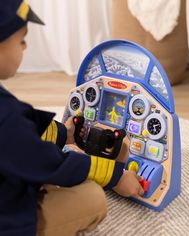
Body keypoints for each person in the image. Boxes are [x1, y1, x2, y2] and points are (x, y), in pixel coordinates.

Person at [0, 1, 144, 236]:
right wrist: (115, 176)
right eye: (21, 40)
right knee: (91, 199)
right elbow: (47, 162)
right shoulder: (6, 116)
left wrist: (60, 134)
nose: (25, 47)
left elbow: (18, 137)